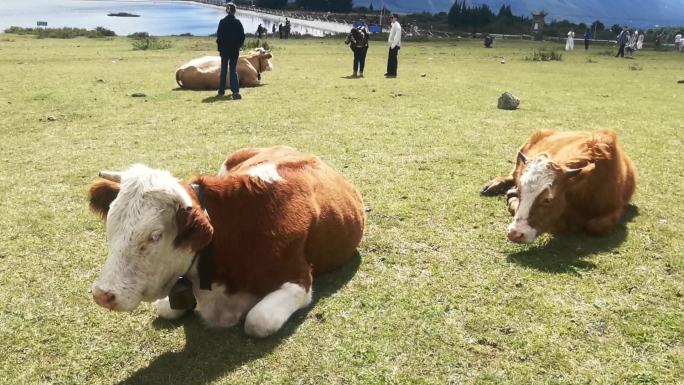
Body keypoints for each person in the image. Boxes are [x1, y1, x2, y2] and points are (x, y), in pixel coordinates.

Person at [216, 2, 245, 99]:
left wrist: (220, 48)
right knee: (233, 70)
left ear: (226, 11)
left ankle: (221, 90)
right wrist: (238, 46)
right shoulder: (238, 22)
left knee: (223, 70)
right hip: (234, 50)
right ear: (235, 11)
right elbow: (242, 37)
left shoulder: (222, 22)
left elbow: (219, 37)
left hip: (224, 50)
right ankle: (235, 91)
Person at [385, 13, 401, 78]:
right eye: (390, 17)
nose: (390, 19)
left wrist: (393, 45)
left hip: (394, 45)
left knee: (393, 59)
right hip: (392, 45)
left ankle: (393, 73)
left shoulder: (397, 26)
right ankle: (389, 72)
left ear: (395, 18)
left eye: (392, 17)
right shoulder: (393, 25)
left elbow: (397, 37)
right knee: (390, 59)